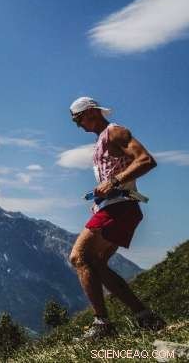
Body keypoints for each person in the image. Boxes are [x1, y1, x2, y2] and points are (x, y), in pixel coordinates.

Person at [68, 97, 166, 339]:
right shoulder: (102, 139)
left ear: (91, 113)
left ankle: (102, 325)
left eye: (78, 120)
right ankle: (145, 317)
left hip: (118, 207)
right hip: (119, 206)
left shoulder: (115, 132)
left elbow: (146, 160)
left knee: (79, 257)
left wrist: (113, 182)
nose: (79, 126)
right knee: (98, 264)